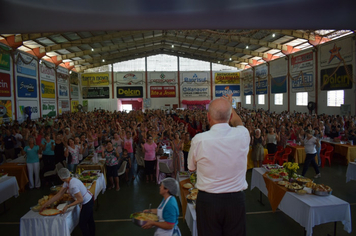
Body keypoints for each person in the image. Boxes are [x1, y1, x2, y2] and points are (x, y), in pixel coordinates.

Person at [188, 94, 249, 236]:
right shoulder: (243, 134)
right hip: (235, 201)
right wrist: (229, 105)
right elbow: (238, 122)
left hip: (208, 201)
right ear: (230, 117)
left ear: (208, 117)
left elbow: (191, 168)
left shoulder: (199, 140)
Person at [41, 168, 95, 236]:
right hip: (88, 199)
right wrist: (45, 204)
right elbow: (59, 194)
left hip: (87, 202)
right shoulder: (67, 181)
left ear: (61, 178)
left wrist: (68, 206)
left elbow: (80, 199)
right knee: (90, 221)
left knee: (82, 224)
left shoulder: (73, 185)